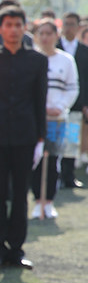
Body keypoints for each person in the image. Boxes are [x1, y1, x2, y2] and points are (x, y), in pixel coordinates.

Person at [0, 5, 47, 270]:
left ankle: (16, 250)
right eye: (8, 25)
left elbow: (40, 101)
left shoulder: (37, 60)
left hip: (25, 135)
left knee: (21, 195)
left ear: (24, 27)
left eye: (18, 24)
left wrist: (41, 139)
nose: (13, 30)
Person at [30, 19, 78, 218]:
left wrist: (60, 107)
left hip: (57, 119)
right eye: (41, 33)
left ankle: (49, 201)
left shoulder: (66, 60)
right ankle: (36, 200)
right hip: (35, 119)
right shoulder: (32, 58)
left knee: (53, 160)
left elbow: (72, 88)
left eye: (48, 33)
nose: (45, 37)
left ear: (56, 36)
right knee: (36, 160)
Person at [56, 12, 88, 187]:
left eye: (72, 24)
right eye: (66, 24)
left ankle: (68, 176)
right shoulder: (55, 47)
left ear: (78, 27)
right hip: (54, 106)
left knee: (71, 141)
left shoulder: (84, 51)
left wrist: (85, 103)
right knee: (55, 141)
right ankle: (55, 175)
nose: (69, 28)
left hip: (75, 105)